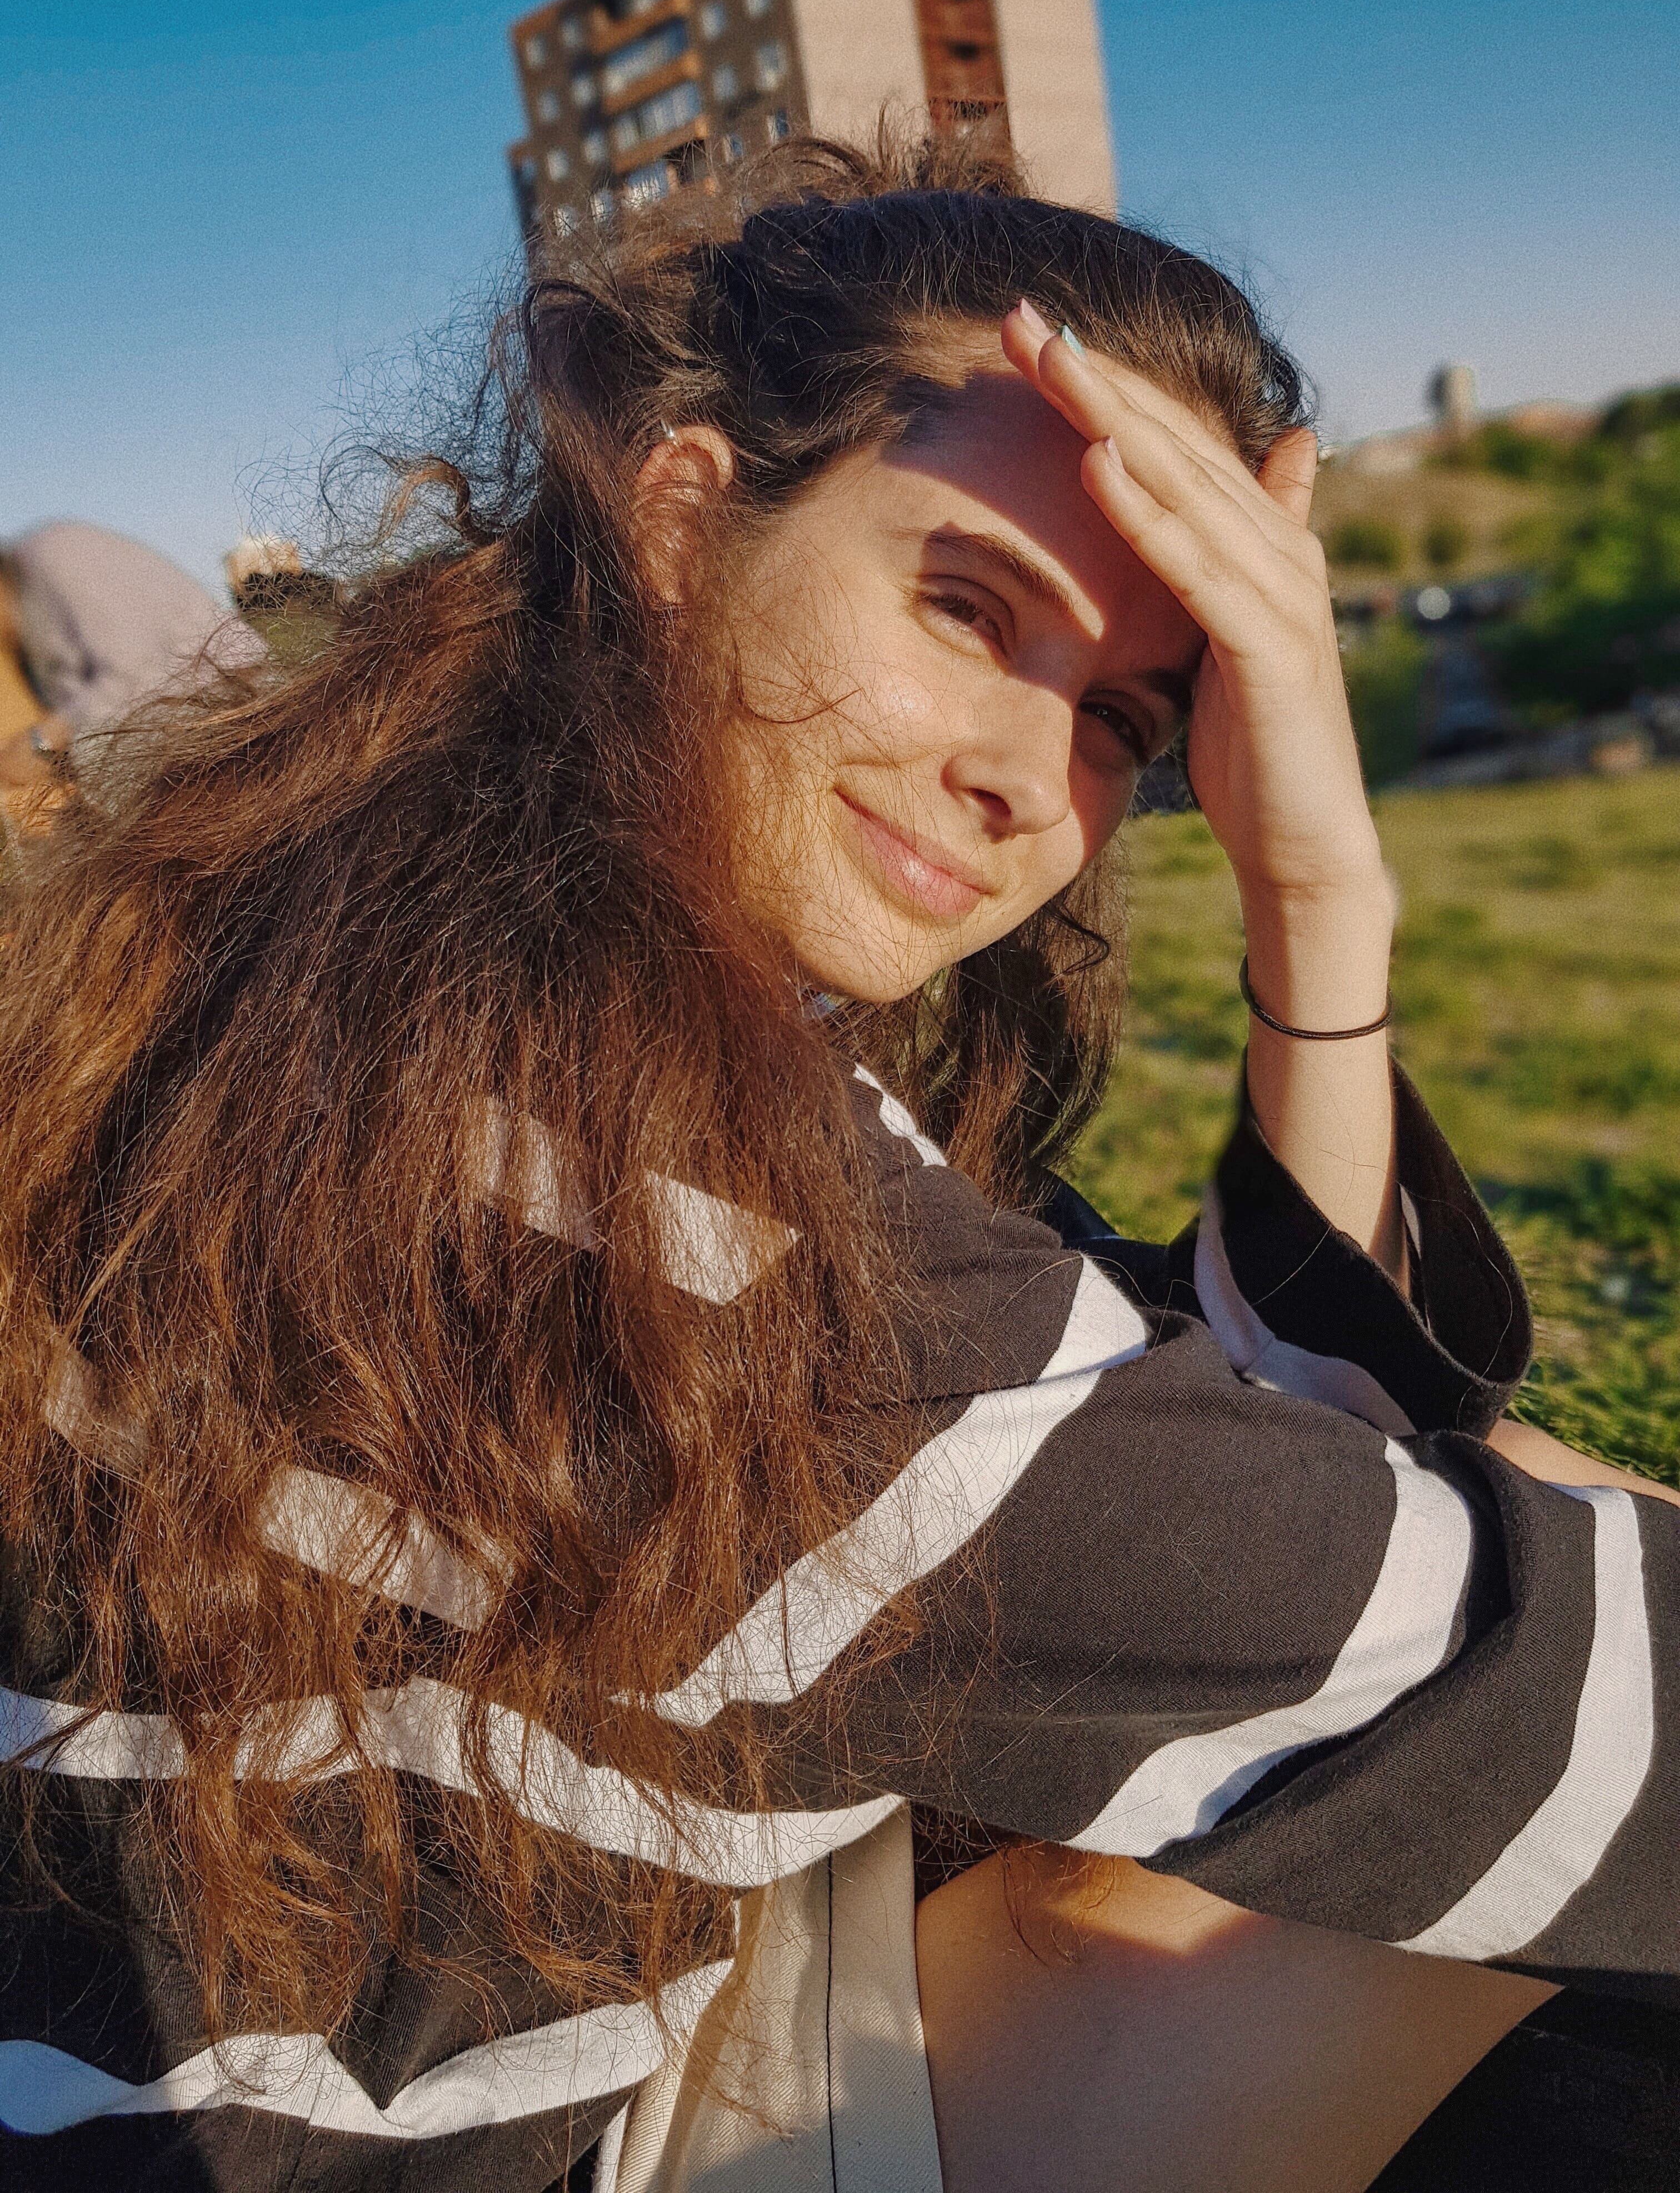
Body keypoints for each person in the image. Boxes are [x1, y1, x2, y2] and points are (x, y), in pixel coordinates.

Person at [1, 135, 1676, 2193]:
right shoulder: (685, 1228)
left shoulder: (392, 943)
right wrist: (1322, 880)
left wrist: (1309, 888)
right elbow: (1531, 1690)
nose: (1025, 777)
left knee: (1501, 1540)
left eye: (1124, 719)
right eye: (967, 604)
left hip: (363, 2019)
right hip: (435, 2146)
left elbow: (1290, 1468)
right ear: (685, 516)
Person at [0, 521, 267, 797]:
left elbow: (137, 668)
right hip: (187, 756)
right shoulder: (25, 640)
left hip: (242, 723)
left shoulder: (54, 552)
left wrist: (41, 743)